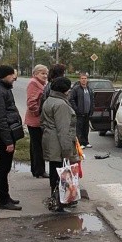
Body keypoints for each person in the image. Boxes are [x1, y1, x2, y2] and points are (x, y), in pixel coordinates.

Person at [0, 65, 23, 211]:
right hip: (4, 135)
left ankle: (5, 196)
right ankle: (2, 200)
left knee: (5, 167)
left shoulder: (4, 89)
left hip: (8, 134)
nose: (14, 78)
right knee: (3, 168)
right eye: (12, 75)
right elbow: (0, 119)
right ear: (4, 76)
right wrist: (8, 141)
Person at [41, 77, 78, 211]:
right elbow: (63, 130)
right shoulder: (61, 105)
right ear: (65, 90)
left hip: (50, 140)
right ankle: (60, 202)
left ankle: (56, 199)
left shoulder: (49, 100)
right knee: (60, 173)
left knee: (54, 170)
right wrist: (67, 151)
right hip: (58, 143)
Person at [25, 64, 49, 178]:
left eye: (46, 73)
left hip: (36, 120)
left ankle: (36, 169)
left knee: (35, 146)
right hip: (35, 120)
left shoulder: (40, 83)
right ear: (35, 74)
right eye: (42, 73)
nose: (45, 76)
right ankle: (39, 170)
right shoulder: (33, 83)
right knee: (38, 146)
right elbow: (31, 102)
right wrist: (38, 114)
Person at [69, 73, 94, 149]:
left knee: (86, 129)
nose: (84, 80)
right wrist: (76, 109)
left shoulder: (89, 89)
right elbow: (71, 99)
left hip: (87, 113)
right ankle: (79, 144)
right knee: (79, 129)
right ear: (80, 80)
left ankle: (85, 142)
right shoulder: (76, 89)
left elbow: (92, 100)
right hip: (79, 113)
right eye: (82, 78)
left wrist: (92, 109)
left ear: (87, 80)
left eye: (85, 78)